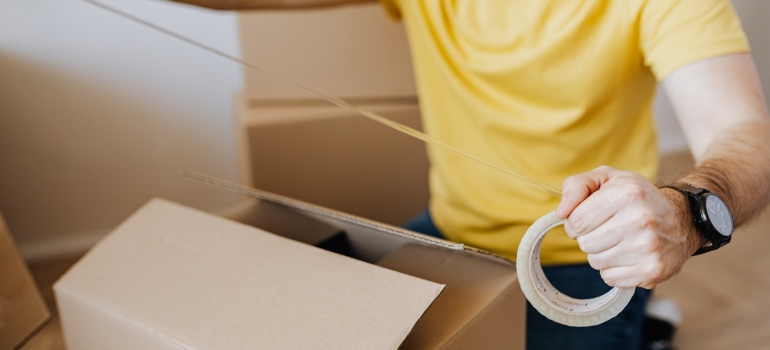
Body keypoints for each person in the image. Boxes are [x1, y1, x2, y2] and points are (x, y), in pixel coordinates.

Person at [172, 0, 770, 349]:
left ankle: (643, 322)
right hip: (447, 232)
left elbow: (750, 137)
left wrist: (687, 214)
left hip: (582, 267)